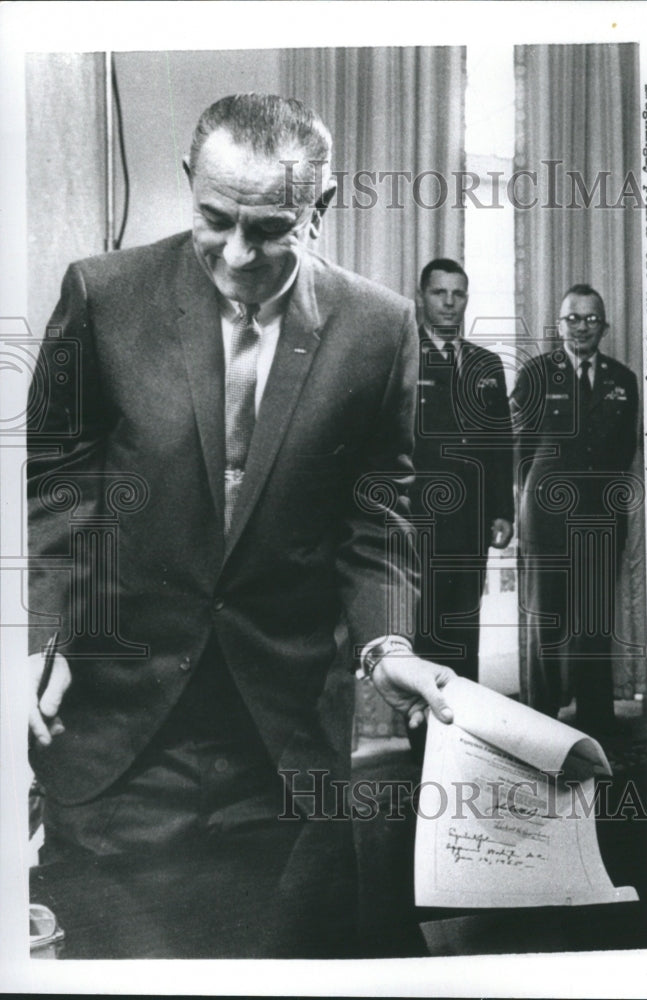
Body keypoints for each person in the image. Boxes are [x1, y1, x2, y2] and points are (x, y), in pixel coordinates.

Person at [26, 93, 455, 959]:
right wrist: (45, 640)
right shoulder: (103, 296)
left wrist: (390, 649)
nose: (237, 252)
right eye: (215, 219)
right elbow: (57, 490)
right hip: (114, 741)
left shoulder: (379, 329)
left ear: (321, 210)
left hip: (281, 746)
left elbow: (378, 518)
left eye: (270, 228)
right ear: (190, 185)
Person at [511, 284, 639, 737]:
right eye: (572, 318)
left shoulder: (623, 381)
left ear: (603, 326)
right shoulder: (535, 376)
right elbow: (520, 453)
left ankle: (596, 730)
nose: (581, 326)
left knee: (592, 632)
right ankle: (542, 731)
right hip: (545, 522)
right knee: (546, 631)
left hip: (600, 523)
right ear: (559, 323)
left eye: (590, 318)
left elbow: (624, 453)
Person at [410, 259, 514, 682]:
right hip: (420, 523)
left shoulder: (486, 365)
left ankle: (462, 741)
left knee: (465, 632)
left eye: (458, 294)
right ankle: (423, 747)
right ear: (422, 298)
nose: (450, 303)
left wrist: (503, 510)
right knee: (425, 633)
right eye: (440, 293)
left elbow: (499, 445)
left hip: (471, 525)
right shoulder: (401, 357)